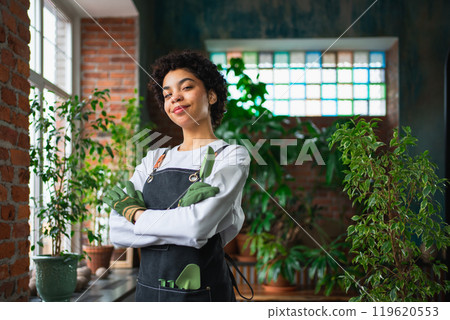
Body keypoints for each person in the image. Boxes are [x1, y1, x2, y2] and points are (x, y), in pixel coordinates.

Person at [107, 50, 251, 302]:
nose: (176, 98)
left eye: (186, 87)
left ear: (212, 95)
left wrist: (136, 214)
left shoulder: (231, 156)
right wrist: (182, 225)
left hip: (204, 296)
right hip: (149, 295)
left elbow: (197, 226)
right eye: (167, 94)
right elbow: (117, 230)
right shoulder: (154, 159)